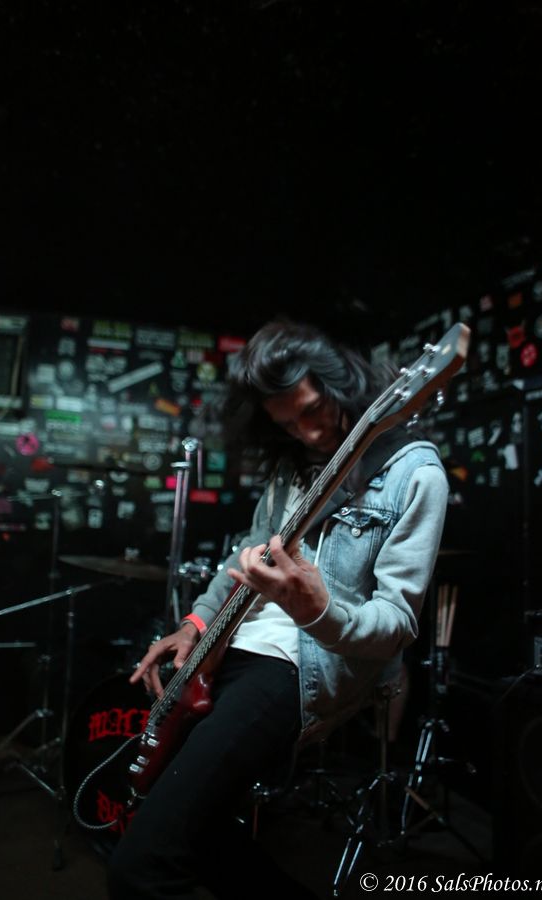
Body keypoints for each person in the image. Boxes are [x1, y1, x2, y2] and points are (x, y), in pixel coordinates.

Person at [107, 319, 449, 900]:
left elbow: (396, 625)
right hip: (229, 648)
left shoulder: (416, 473)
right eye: (288, 424)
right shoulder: (293, 465)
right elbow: (245, 553)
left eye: (313, 410)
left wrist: (318, 611)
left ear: (341, 384)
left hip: (295, 668)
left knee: (139, 867)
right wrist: (196, 624)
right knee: (204, 836)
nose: (308, 432)